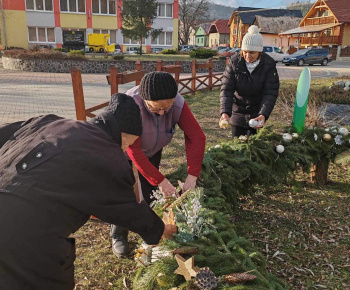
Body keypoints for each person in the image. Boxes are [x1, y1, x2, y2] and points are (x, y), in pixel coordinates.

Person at [0, 93, 175, 290]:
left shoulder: (49, 122)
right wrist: (160, 230)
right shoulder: (109, 157)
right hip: (29, 238)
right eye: (128, 143)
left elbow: (5, 134)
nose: (125, 150)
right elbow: (127, 209)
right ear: (123, 134)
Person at [110, 71, 206, 258]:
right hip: (125, 148)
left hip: (153, 150)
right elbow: (133, 150)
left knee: (151, 192)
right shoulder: (131, 104)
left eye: (167, 108)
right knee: (123, 190)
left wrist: (192, 175)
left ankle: (153, 232)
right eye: (156, 109)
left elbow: (196, 136)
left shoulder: (177, 103)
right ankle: (118, 233)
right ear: (145, 100)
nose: (162, 113)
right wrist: (161, 180)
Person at [219, 25, 280, 137]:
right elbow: (226, 89)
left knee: (255, 146)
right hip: (237, 111)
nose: (247, 56)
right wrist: (225, 112)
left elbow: (270, 92)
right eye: (245, 52)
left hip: (257, 111)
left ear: (259, 52)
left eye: (252, 52)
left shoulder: (268, 65)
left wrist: (263, 114)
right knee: (237, 146)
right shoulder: (234, 62)